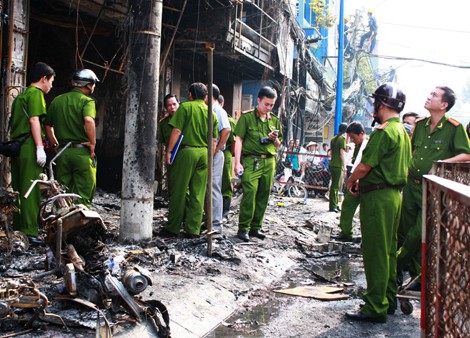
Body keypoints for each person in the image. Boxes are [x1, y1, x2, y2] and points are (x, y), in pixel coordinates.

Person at [345, 83, 411, 323]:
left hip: (378, 197)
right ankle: (388, 299)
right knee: (389, 251)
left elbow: (365, 166)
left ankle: (375, 306)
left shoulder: (384, 132)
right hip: (394, 196)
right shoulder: (403, 131)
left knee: (375, 252)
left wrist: (351, 181)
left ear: (381, 104)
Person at [397, 86, 470, 290]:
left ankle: (396, 264)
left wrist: (440, 164)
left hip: (431, 188)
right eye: (430, 94)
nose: (429, 97)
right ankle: (414, 277)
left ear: (444, 105)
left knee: (418, 232)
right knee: (403, 230)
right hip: (411, 184)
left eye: (434, 96)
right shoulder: (419, 125)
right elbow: (411, 151)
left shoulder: (455, 128)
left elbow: (466, 154)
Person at [161, 82, 218, 238]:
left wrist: (170, 151)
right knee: (198, 193)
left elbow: (177, 130)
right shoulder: (211, 113)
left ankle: (172, 227)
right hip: (204, 154)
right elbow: (213, 140)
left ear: (190, 95)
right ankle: (192, 229)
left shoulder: (185, 107)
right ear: (206, 96)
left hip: (187, 153)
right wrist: (210, 157)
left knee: (178, 191)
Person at [11, 62, 55, 245]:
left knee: (18, 188)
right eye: (51, 81)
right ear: (43, 78)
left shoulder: (21, 96)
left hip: (17, 146)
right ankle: (30, 231)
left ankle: (19, 228)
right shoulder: (36, 94)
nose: (51, 86)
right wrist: (39, 146)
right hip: (29, 145)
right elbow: (35, 120)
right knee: (31, 189)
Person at [45, 69, 99, 208]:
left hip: (63, 153)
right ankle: (80, 223)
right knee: (84, 194)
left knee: (62, 192)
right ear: (88, 85)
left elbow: (47, 125)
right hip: (81, 152)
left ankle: (61, 223)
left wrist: (55, 144)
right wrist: (92, 143)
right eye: (93, 84)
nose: (93, 87)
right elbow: (88, 120)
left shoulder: (57, 101)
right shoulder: (87, 101)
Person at [234, 86, 282, 242]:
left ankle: (256, 227)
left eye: (272, 105)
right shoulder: (246, 118)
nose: (268, 108)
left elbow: (278, 144)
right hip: (251, 160)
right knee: (249, 193)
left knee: (263, 195)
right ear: (259, 100)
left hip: (269, 161)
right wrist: (237, 163)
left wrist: (274, 138)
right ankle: (243, 228)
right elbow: (238, 140)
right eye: (266, 104)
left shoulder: (274, 120)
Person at [334, 122, 367, 241]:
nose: (353, 140)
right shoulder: (357, 146)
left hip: (366, 182)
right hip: (356, 180)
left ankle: (366, 237)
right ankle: (346, 232)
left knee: (366, 212)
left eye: (354, 137)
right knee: (348, 204)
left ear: (361, 134)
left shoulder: (369, 145)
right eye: (351, 138)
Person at [207, 84, 231, 234]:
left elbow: (226, 130)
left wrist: (216, 148)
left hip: (216, 154)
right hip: (212, 153)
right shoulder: (211, 110)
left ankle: (216, 224)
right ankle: (210, 221)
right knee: (209, 187)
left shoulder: (218, 110)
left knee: (214, 187)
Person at [220, 96, 237, 219]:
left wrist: (231, 156)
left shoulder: (228, 120)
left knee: (225, 181)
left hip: (225, 152)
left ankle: (225, 211)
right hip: (212, 152)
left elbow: (233, 142)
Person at [328, 122, 347, 213]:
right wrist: (345, 166)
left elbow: (331, 153)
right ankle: (333, 206)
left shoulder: (333, 139)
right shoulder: (342, 139)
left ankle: (334, 204)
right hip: (338, 165)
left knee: (334, 185)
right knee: (336, 186)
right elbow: (342, 153)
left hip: (332, 164)